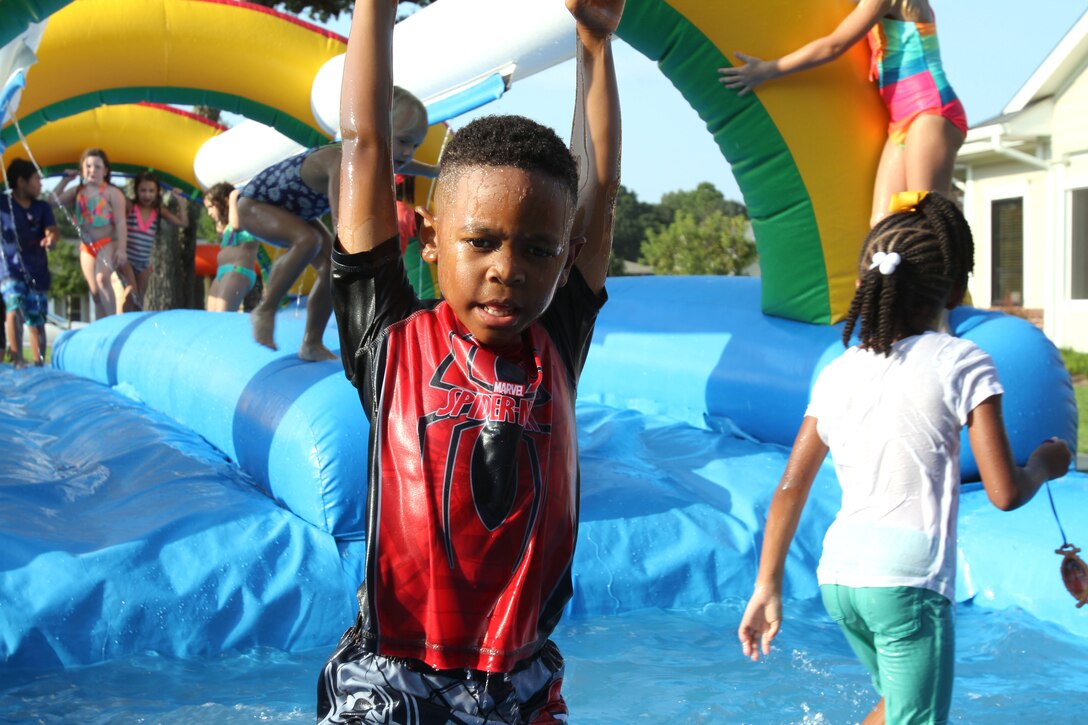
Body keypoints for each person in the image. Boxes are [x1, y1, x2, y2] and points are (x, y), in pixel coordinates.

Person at [316, 0, 622, 721]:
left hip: (518, 681)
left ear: (567, 255)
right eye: (480, 241)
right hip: (394, 671)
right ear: (429, 238)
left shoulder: (557, 343)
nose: (507, 269)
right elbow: (364, 144)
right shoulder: (388, 340)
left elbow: (598, 189)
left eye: (538, 249)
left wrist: (596, 49)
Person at [736, 192, 1072, 725]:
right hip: (907, 582)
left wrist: (766, 586)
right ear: (957, 287)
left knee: (897, 707)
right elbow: (1005, 492)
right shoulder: (963, 361)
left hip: (840, 577)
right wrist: (1046, 465)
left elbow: (789, 489)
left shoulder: (840, 370)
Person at [718, 0, 966, 227]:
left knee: (924, 213)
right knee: (884, 222)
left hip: (929, 112)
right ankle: (884, 275)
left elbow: (833, 46)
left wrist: (768, 70)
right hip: (902, 123)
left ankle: (951, 271)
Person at [236, 90, 436, 361]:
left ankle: (311, 343)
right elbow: (344, 220)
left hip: (297, 212)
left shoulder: (371, 156)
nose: (407, 152)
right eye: (403, 141)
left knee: (332, 269)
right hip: (255, 204)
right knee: (309, 241)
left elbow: (410, 166)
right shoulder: (341, 160)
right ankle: (265, 309)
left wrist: (437, 171)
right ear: (375, 126)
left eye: (415, 145)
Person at [53, 148, 131, 319]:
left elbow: (120, 221)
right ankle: (101, 326)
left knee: (102, 279)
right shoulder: (77, 191)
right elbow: (51, 202)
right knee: (95, 293)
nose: (92, 170)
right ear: (82, 169)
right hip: (87, 247)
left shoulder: (112, 193)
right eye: (88, 166)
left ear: (105, 171)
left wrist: (122, 249)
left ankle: (113, 322)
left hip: (107, 242)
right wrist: (64, 181)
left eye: (97, 167)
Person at [1, 158, 58, 367]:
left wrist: (51, 238)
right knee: (14, 305)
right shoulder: (3, 204)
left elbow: (52, 229)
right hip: (10, 268)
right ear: (21, 182)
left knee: (37, 318)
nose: (41, 184)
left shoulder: (42, 207)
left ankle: (39, 362)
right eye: (36, 179)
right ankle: (17, 358)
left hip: (37, 270)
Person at [124, 170, 189, 307]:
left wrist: (180, 201)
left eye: (151, 191)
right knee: (130, 294)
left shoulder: (158, 211)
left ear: (157, 192)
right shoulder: (131, 207)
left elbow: (183, 223)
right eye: (143, 190)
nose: (147, 195)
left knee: (139, 301)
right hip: (127, 261)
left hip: (143, 265)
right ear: (136, 190)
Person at [202, 182, 260, 313]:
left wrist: (233, 198)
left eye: (211, 207)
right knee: (211, 316)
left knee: (223, 315)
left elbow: (235, 225)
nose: (209, 212)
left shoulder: (244, 216)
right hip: (223, 272)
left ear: (225, 201)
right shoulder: (228, 225)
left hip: (238, 271)